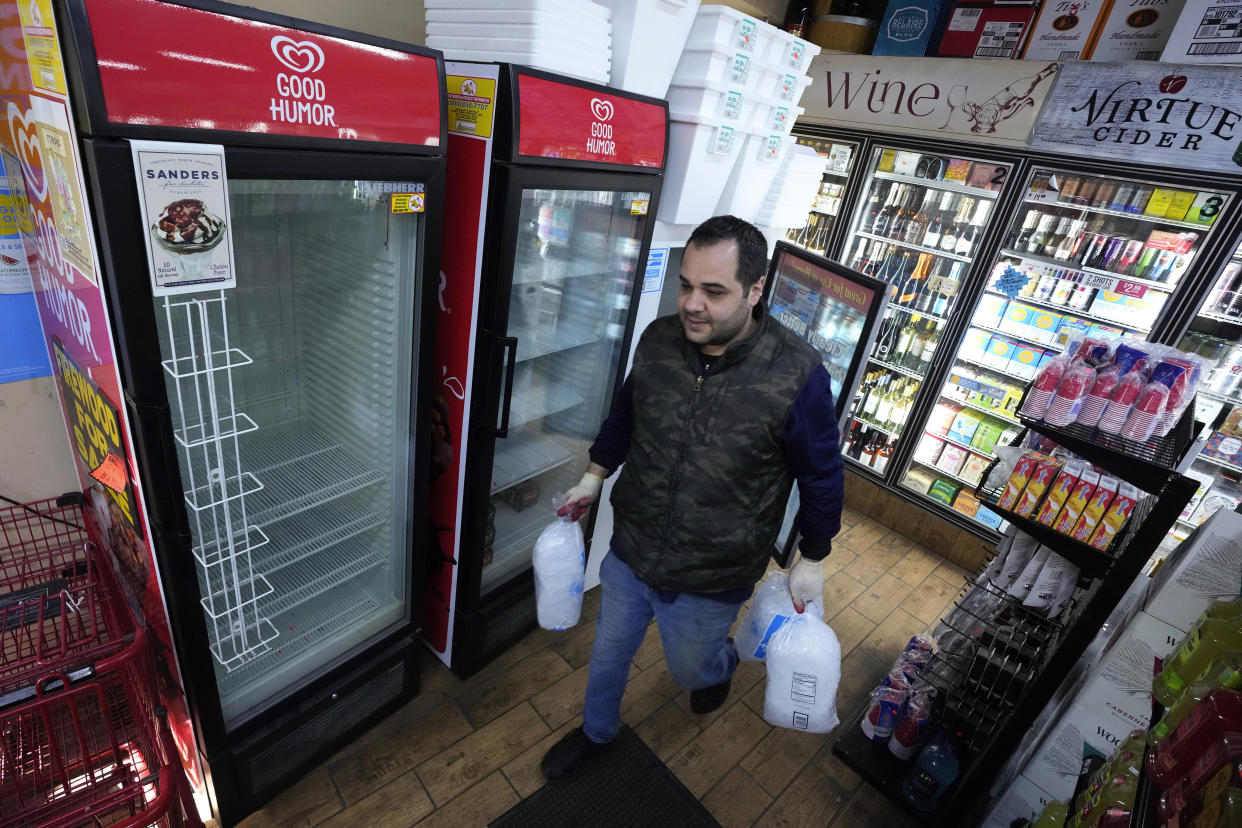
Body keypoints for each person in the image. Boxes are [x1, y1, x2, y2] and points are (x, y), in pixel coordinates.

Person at [540, 215, 844, 780]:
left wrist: (815, 557)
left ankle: (720, 666)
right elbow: (627, 414)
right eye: (686, 285)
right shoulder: (658, 342)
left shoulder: (796, 375)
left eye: (714, 291)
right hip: (633, 549)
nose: (692, 304)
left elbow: (822, 475)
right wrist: (593, 476)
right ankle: (596, 731)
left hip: (711, 573)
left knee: (690, 671)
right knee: (608, 654)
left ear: (755, 290)